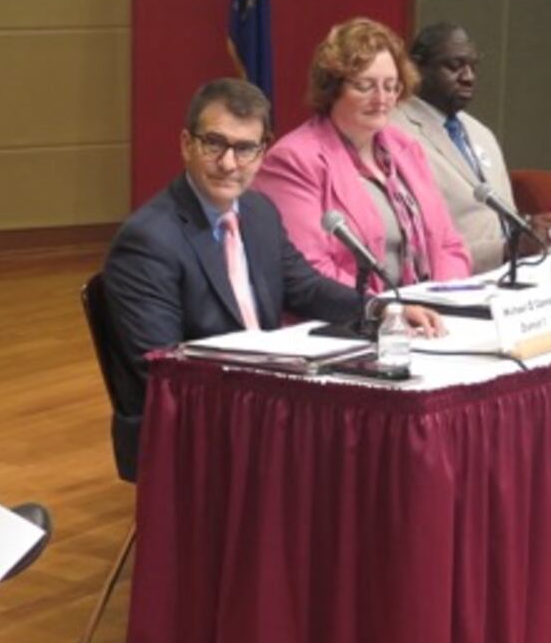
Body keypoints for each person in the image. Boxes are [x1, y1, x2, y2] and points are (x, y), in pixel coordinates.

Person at [102, 78, 443, 412]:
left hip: (260, 398)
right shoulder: (148, 240)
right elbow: (162, 369)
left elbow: (305, 288)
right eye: (214, 143)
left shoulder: (259, 211)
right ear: (186, 144)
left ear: (263, 151)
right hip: (197, 419)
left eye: (245, 148)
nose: (229, 163)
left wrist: (381, 310)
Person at [252, 17, 472, 288]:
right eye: (365, 86)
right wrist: (389, 310)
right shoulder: (294, 161)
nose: (382, 99)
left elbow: (449, 244)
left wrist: (443, 300)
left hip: (425, 316)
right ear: (333, 87)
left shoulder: (406, 148)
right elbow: (309, 269)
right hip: (347, 321)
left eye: (391, 86)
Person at [390, 22, 551, 273]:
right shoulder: (395, 133)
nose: (468, 77)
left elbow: (500, 217)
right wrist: (506, 249)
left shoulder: (481, 133)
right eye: (454, 66)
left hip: (513, 274)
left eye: (472, 66)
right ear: (417, 67)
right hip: (452, 282)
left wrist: (531, 232)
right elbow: (416, 242)